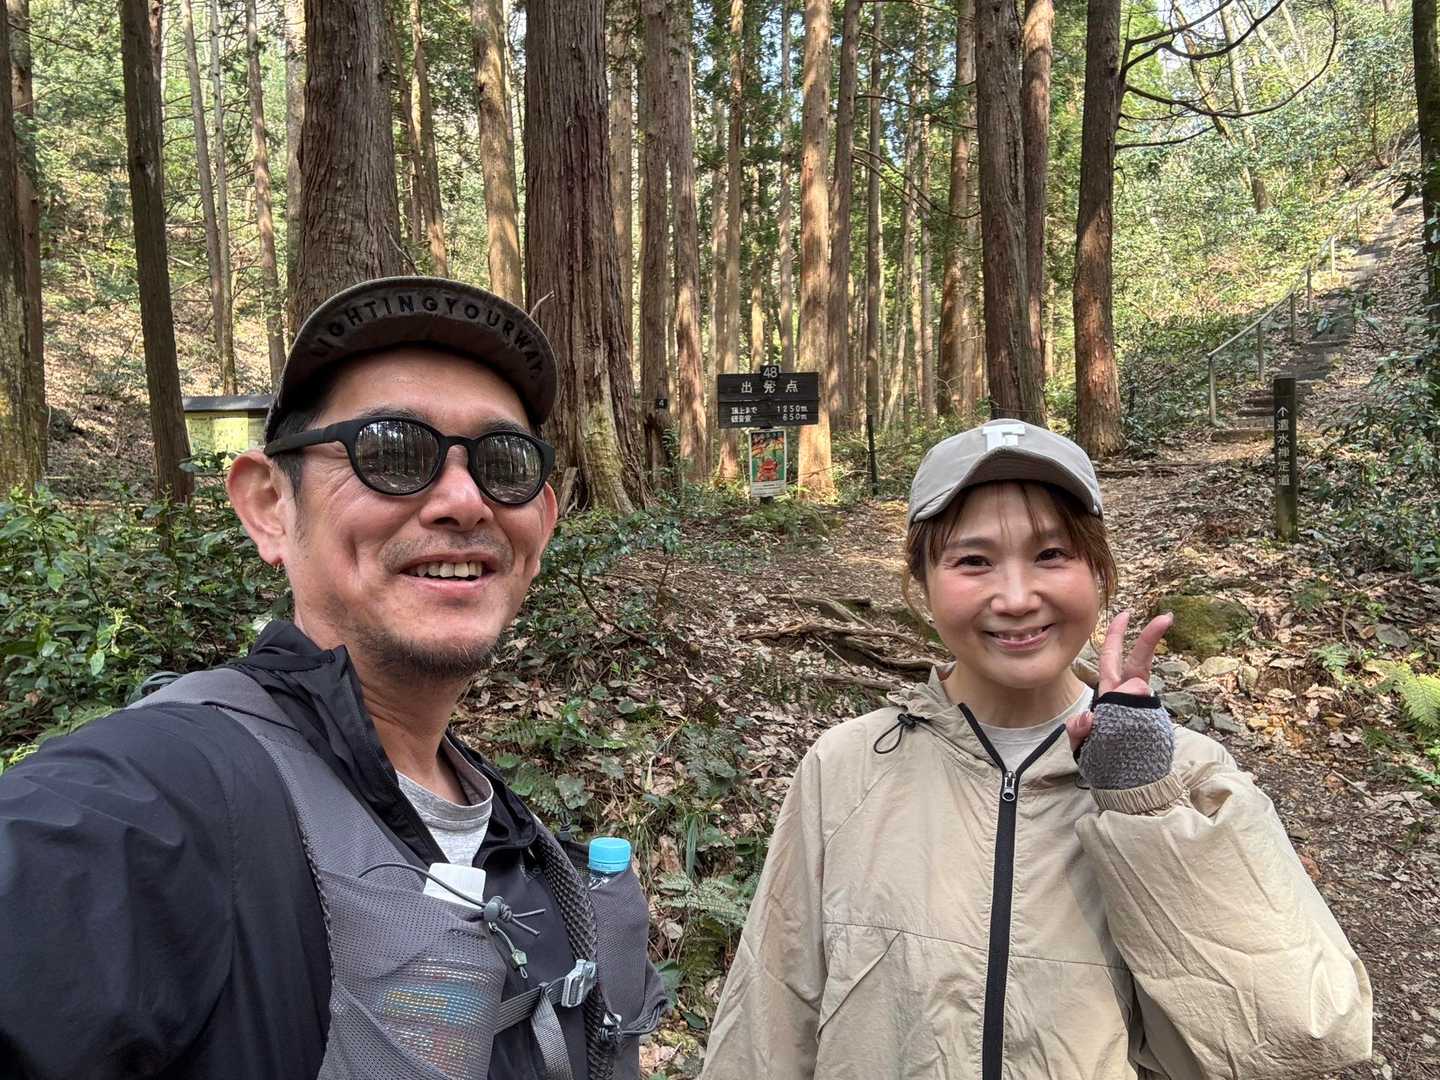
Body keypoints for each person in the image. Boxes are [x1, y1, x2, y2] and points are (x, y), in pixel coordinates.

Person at [0, 277, 666, 1080]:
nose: (465, 501)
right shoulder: (159, 793)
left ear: (543, 523)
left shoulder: (502, 824)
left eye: (505, 463)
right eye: (391, 452)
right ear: (270, 506)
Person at [700, 419, 1372, 1080]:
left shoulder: (1186, 775)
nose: (1017, 598)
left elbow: (1304, 1030)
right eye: (973, 561)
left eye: (1051, 554)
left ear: (1099, 571)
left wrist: (1142, 803)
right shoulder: (847, 767)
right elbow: (768, 1022)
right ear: (921, 581)